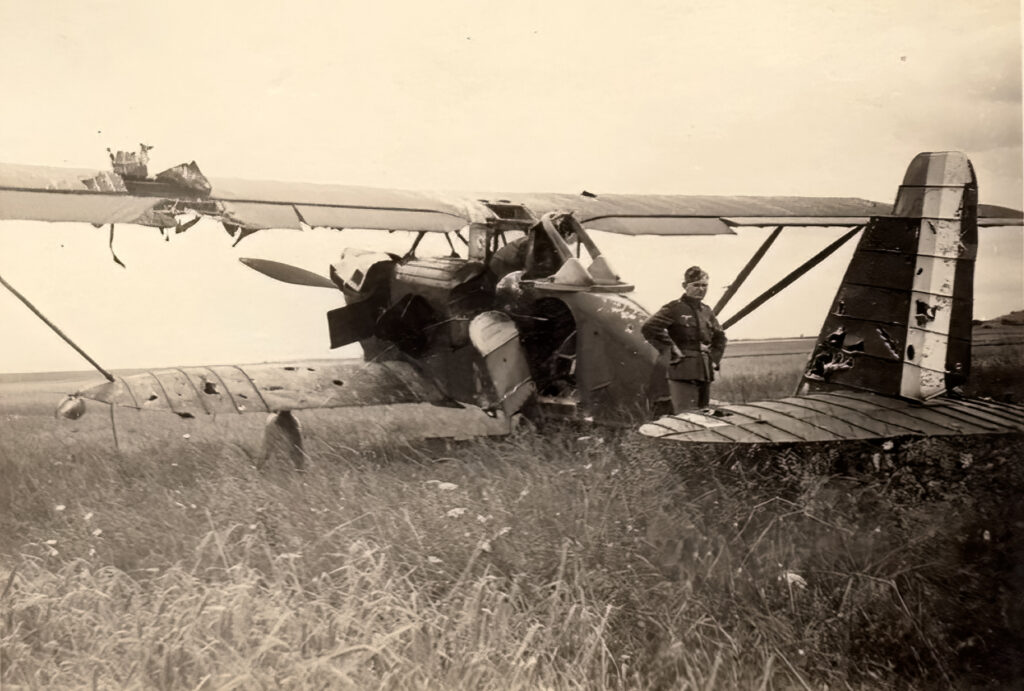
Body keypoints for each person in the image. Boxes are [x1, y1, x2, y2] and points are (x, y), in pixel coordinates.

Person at [641, 266, 727, 412]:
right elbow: (649, 327)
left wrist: (713, 358)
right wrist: (671, 348)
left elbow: (720, 337)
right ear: (685, 286)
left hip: (705, 370)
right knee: (686, 415)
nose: (701, 289)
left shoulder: (706, 311)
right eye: (696, 285)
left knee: (704, 414)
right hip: (682, 369)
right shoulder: (674, 308)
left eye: (704, 285)